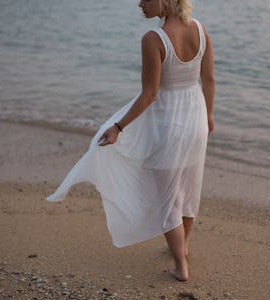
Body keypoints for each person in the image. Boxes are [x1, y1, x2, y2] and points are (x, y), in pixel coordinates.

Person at [47, 0, 215, 282]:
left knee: (167, 200)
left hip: (167, 125)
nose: (139, 3)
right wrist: (209, 115)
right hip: (195, 119)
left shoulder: (153, 39)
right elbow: (208, 79)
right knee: (188, 190)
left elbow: (149, 95)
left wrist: (118, 127)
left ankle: (181, 266)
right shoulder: (200, 29)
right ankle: (182, 247)